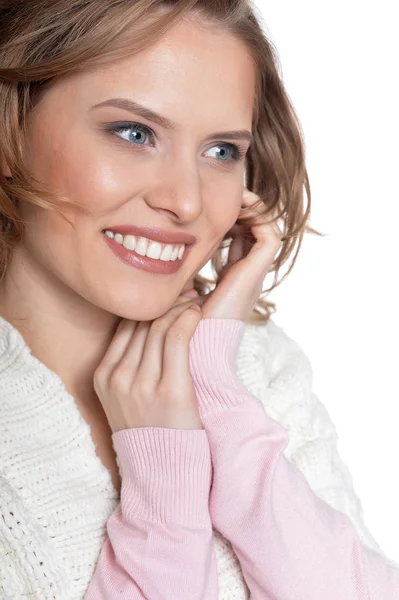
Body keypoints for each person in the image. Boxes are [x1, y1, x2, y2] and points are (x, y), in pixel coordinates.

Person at [0, 0, 397, 598]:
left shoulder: (256, 369)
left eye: (221, 152)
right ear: (12, 126)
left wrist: (218, 399)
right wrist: (164, 485)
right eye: (134, 133)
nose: (186, 201)